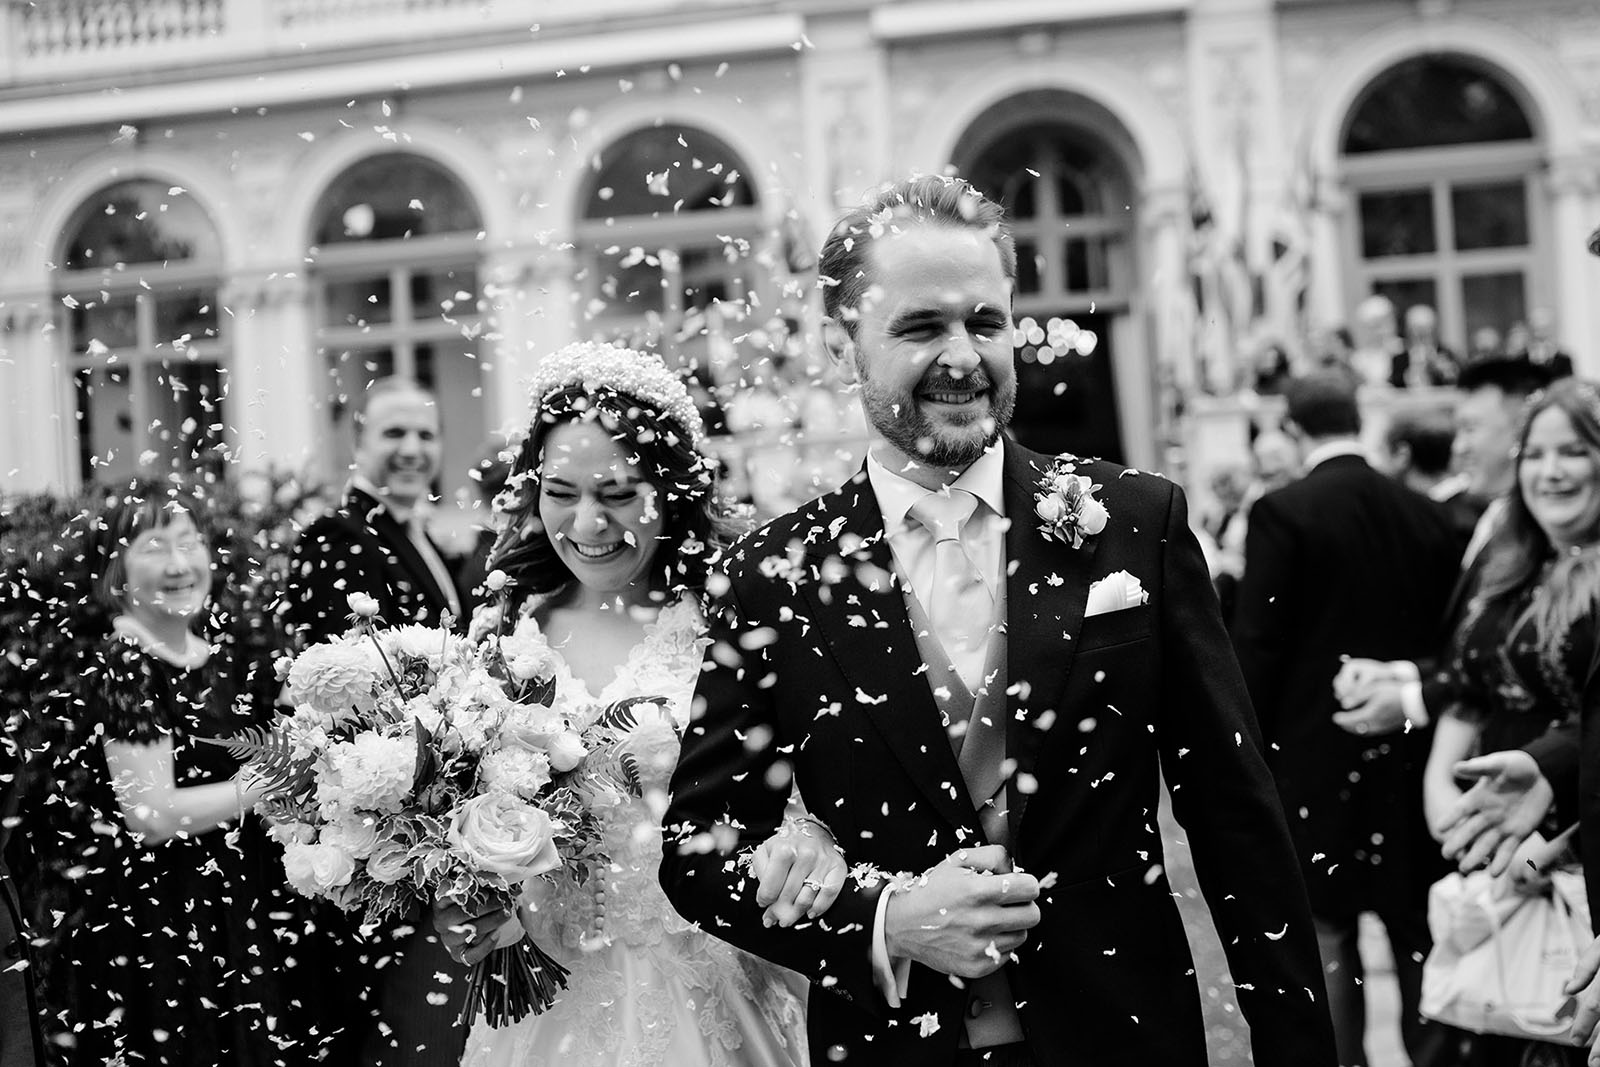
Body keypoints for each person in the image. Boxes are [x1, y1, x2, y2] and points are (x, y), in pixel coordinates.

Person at [658, 175, 1336, 1066]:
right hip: (894, 1045)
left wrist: (1298, 1048)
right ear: (838, 342)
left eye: (984, 322)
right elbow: (698, 853)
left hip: (1124, 1036)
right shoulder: (769, 575)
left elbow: (1235, 816)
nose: (963, 355)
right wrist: (888, 920)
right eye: (919, 326)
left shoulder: (1135, 521)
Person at [431, 340, 840, 1067]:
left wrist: (807, 842)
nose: (587, 523)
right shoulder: (500, 628)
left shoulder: (729, 620)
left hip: (707, 983)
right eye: (562, 492)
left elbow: (807, 796)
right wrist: (465, 900)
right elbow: (458, 815)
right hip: (548, 1003)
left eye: (618, 493)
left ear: (671, 488)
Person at [1229, 373, 1466, 1066]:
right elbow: (1449, 640)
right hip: (1413, 752)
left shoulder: (1282, 511)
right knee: (1416, 929)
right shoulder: (1425, 512)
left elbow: (1258, 648)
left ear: (1295, 429)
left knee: (1327, 933)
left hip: (1311, 757)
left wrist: (1251, 760)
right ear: (1357, 418)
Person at [60, 478, 294, 1066]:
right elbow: (152, 814)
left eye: (188, 543)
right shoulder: (126, 663)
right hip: (162, 923)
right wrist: (268, 785)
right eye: (154, 547)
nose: (179, 564)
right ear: (115, 572)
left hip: (237, 910)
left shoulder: (227, 656)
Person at [285, 377, 469, 1065]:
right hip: (387, 816)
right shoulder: (338, 537)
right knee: (393, 1020)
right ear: (358, 442)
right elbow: (347, 696)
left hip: (434, 806)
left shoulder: (427, 539)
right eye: (393, 432)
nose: (412, 449)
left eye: (425, 433)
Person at [1420, 378, 1600, 1066]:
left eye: (1574, 452)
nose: (1550, 471)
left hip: (1572, 860)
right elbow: (1469, 688)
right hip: (1491, 841)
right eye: (1536, 453)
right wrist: (1443, 790)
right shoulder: (1510, 563)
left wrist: (1559, 844)